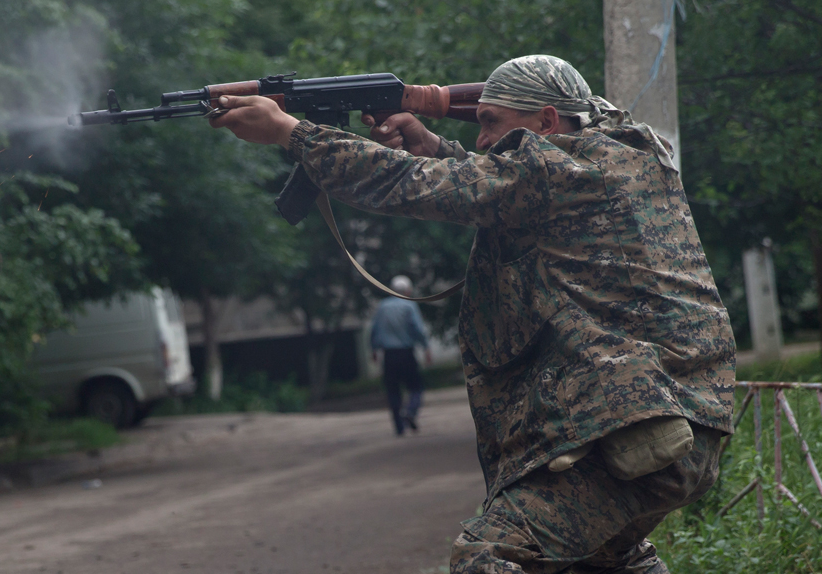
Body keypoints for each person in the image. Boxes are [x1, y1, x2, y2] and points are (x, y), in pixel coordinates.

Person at [210, 55, 735, 574]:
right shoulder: (617, 150)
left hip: (634, 424)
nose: (483, 139)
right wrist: (436, 145)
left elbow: (411, 184)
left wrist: (291, 132)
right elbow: (510, 181)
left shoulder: (558, 169)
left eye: (490, 122)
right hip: (662, 418)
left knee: (487, 554)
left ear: (547, 121)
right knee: (605, 560)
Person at [370, 275, 433, 435]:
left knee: (393, 391)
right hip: (406, 353)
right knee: (415, 387)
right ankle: (410, 412)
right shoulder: (409, 306)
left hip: (389, 355)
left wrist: (374, 350)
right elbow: (417, 329)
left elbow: (374, 331)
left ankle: (399, 427)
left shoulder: (382, 307)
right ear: (407, 290)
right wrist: (426, 347)